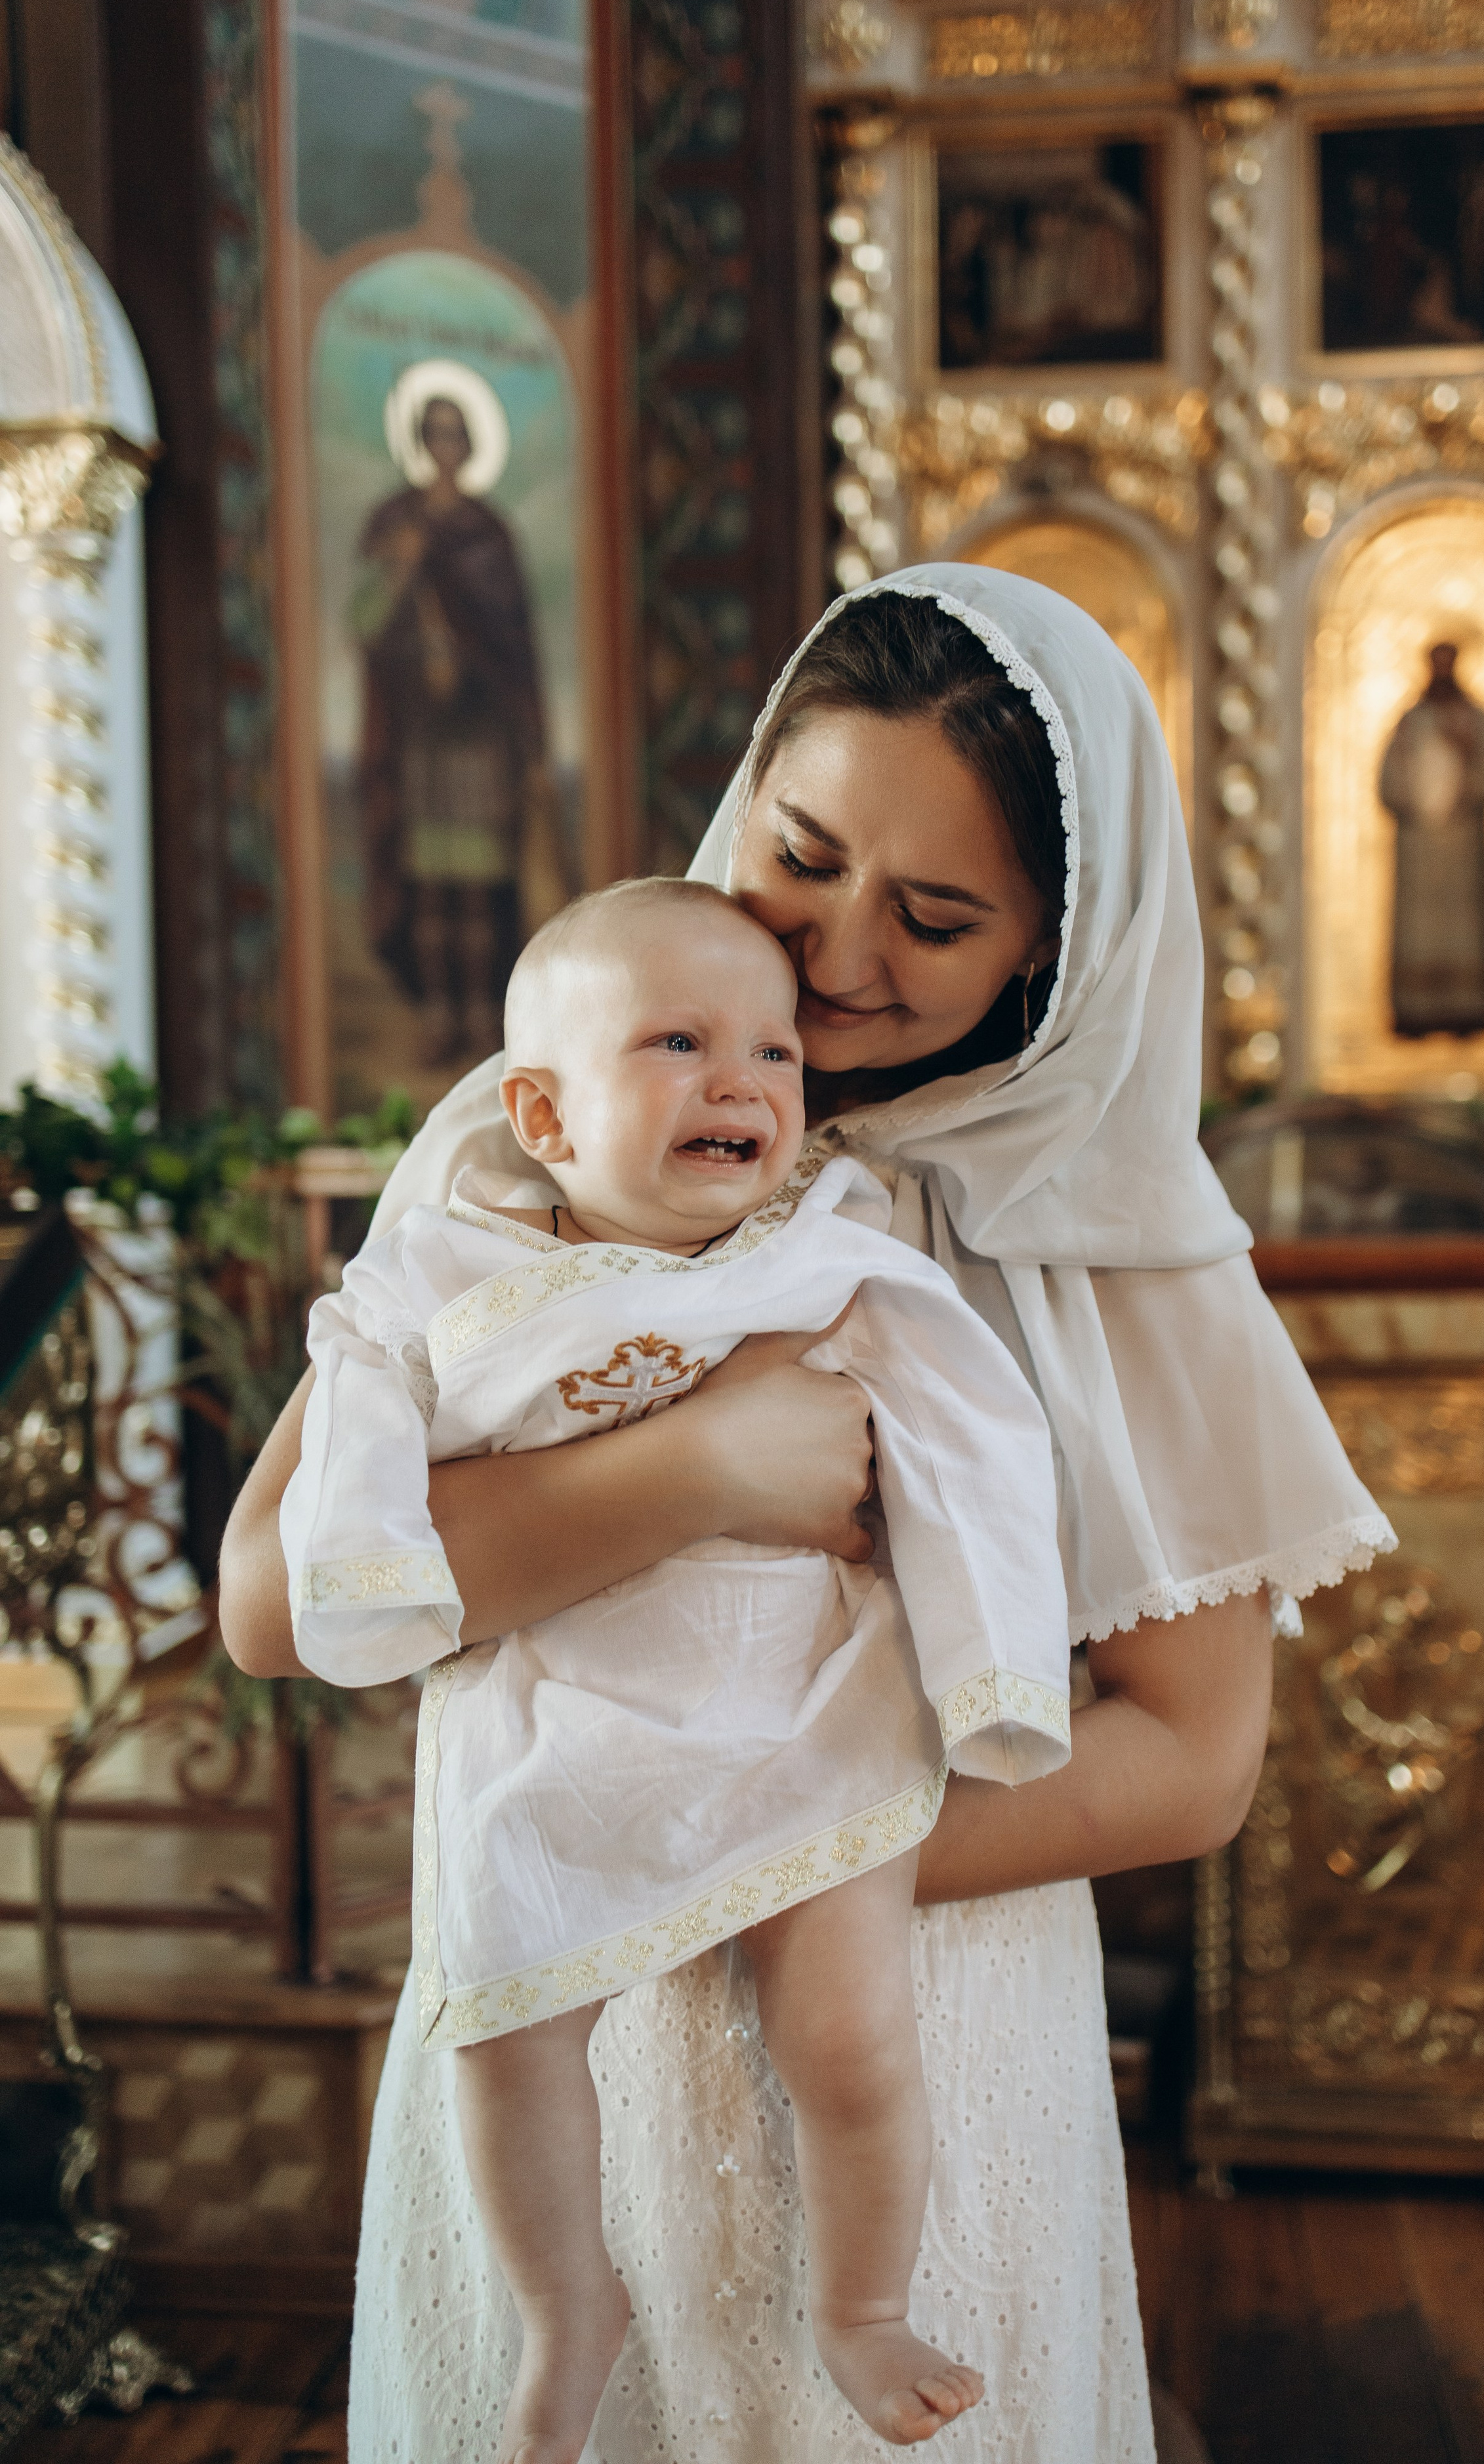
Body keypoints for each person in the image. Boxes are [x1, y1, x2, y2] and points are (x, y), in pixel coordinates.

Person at [220, 567, 1395, 2462]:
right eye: (805, 854)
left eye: (932, 918)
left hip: (902, 2021)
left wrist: (746, 1845)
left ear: (1047, 949)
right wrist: (694, 1466)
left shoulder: (1127, 1243)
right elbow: (274, 1601)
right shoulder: (540, 1130)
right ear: (748, 786)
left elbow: (1191, 1761)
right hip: (547, 1995)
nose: (839, 954)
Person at [281, 877, 1071, 2457]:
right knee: (502, 2030)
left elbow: (973, 1438)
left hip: (803, 1710)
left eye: (774, 1055)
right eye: (678, 1041)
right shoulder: (454, 1261)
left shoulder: (828, 1249)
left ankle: (858, 2304)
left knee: (849, 2035)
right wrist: (368, 1577)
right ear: (543, 1114)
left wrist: (997, 1671)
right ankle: (569, 2305)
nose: (745, 1084)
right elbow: (357, 1394)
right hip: (561, 1719)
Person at [352, 391, 548, 1069]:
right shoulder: (395, 524)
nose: (445, 445)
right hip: (422, 738)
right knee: (430, 887)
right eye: (433, 433)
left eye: (456, 433)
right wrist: (403, 566)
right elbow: (366, 624)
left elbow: (514, 643)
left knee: (481, 889)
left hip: (480, 734)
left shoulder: (489, 534)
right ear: (419, 441)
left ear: (468, 445)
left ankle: (481, 1015)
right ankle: (436, 1014)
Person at [1378, 640, 1484, 1039]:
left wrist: (1468, 763)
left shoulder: (1474, 719)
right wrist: (1410, 797)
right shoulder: (1408, 722)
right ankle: (1415, 1014)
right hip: (1420, 846)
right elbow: (1388, 779)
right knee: (1419, 929)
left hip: (1462, 844)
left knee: (1463, 926)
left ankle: (1468, 1013)